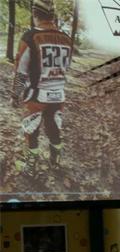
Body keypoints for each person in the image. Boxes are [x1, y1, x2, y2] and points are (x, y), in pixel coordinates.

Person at [11, 0, 73, 173]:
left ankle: (30, 166)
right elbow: (66, 66)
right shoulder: (67, 39)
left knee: (31, 130)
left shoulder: (30, 37)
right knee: (54, 128)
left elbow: (21, 72)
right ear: (52, 16)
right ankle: (55, 160)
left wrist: (15, 95)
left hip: (37, 94)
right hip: (59, 94)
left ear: (35, 14)